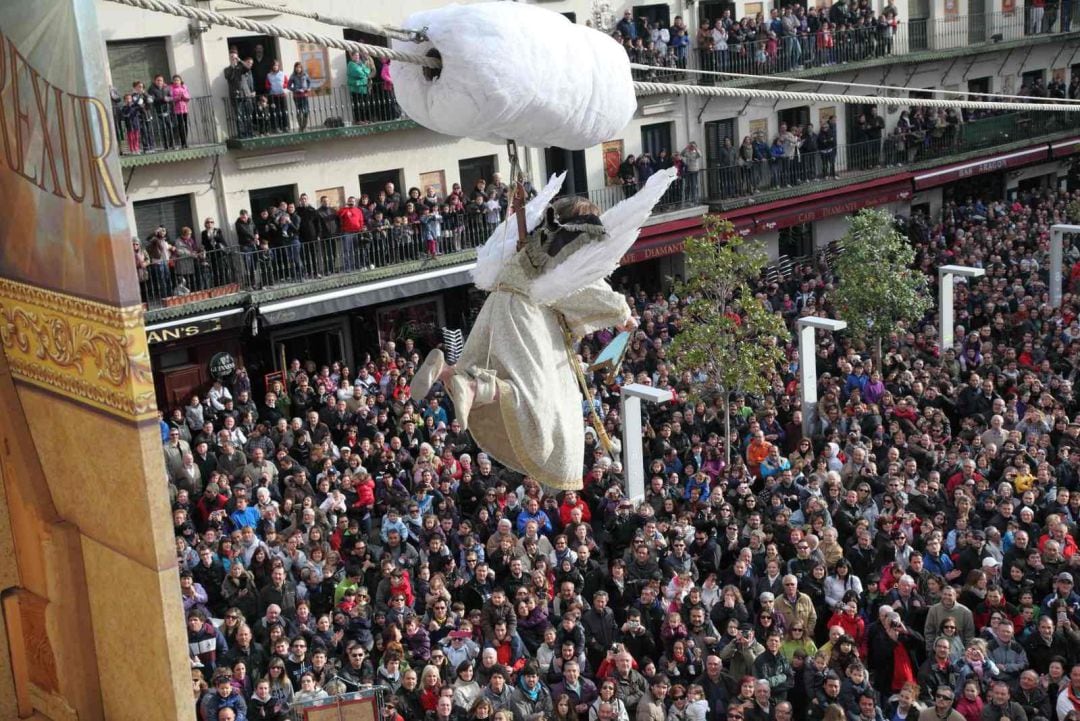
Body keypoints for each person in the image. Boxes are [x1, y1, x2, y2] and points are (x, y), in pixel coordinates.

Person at [409, 182, 670, 491]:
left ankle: (446, 372)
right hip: (527, 317)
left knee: (494, 371)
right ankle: (470, 384)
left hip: (496, 307)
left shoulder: (529, 245)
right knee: (537, 401)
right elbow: (581, 287)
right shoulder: (562, 254)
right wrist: (623, 315)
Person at [347, 50, 374, 123]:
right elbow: (359, 73)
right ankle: (359, 120)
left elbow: (368, 71)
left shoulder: (360, 63)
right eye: (355, 55)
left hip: (363, 88)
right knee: (358, 104)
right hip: (356, 88)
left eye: (358, 55)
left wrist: (365, 73)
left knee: (364, 104)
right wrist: (365, 74)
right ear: (352, 56)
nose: (357, 57)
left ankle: (365, 118)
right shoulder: (351, 65)